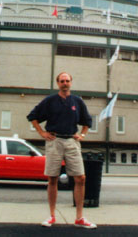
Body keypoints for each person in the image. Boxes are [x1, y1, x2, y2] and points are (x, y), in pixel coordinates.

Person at [27, 72, 97, 229]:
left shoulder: (77, 101)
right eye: (62, 81)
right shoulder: (50, 101)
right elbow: (32, 116)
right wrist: (41, 132)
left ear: (71, 82)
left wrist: (83, 134)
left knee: (81, 178)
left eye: (67, 81)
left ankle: (79, 217)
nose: (65, 83)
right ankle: (52, 216)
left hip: (72, 142)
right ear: (57, 83)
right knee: (53, 178)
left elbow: (87, 121)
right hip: (54, 141)